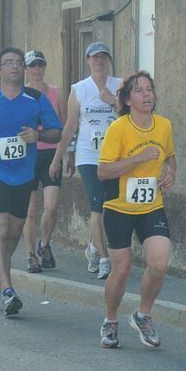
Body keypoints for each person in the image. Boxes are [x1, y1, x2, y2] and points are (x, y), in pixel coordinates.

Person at [0, 47, 62, 317]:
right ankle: (7, 290)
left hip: (24, 173)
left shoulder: (36, 99)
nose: (15, 67)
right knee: (0, 228)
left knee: (15, 232)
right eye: (9, 63)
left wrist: (37, 133)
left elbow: (56, 132)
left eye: (18, 63)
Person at [97, 71, 176, 349]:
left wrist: (170, 172)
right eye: (139, 91)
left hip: (151, 206)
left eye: (149, 89)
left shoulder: (164, 125)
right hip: (119, 207)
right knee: (121, 269)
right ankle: (110, 321)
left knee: (159, 263)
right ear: (128, 99)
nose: (146, 95)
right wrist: (138, 158)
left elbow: (169, 156)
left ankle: (142, 315)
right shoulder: (118, 128)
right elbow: (103, 171)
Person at [51, 42, 122, 280]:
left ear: (109, 60)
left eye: (103, 57)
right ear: (88, 60)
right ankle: (103, 258)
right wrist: (58, 158)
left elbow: (131, 115)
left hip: (115, 156)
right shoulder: (79, 89)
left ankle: (93, 247)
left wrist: (112, 99)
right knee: (97, 206)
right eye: (95, 57)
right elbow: (70, 126)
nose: (99, 61)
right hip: (88, 155)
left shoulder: (119, 85)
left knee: (111, 206)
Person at [21, 50, 64, 273]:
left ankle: (44, 244)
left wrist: (66, 155)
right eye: (32, 66)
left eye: (40, 65)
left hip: (51, 155)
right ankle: (30, 255)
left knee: (51, 206)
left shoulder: (56, 93)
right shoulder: (20, 95)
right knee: (29, 210)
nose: (37, 70)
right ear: (26, 69)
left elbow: (64, 127)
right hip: (27, 156)